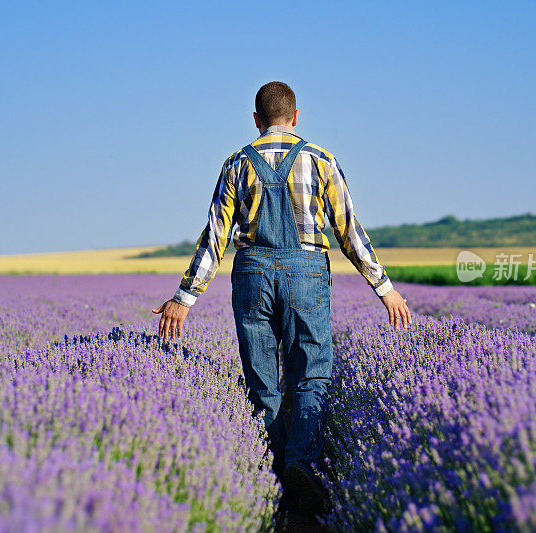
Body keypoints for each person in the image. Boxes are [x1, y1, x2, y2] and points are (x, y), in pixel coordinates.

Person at [152, 81, 411, 517]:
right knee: (311, 376)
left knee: (262, 382)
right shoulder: (321, 159)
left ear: (256, 120)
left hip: (252, 273)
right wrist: (384, 288)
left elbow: (214, 237)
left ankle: (271, 481)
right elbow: (349, 231)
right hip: (306, 274)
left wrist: (184, 296)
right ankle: (302, 464)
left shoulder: (236, 163)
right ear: (295, 118)